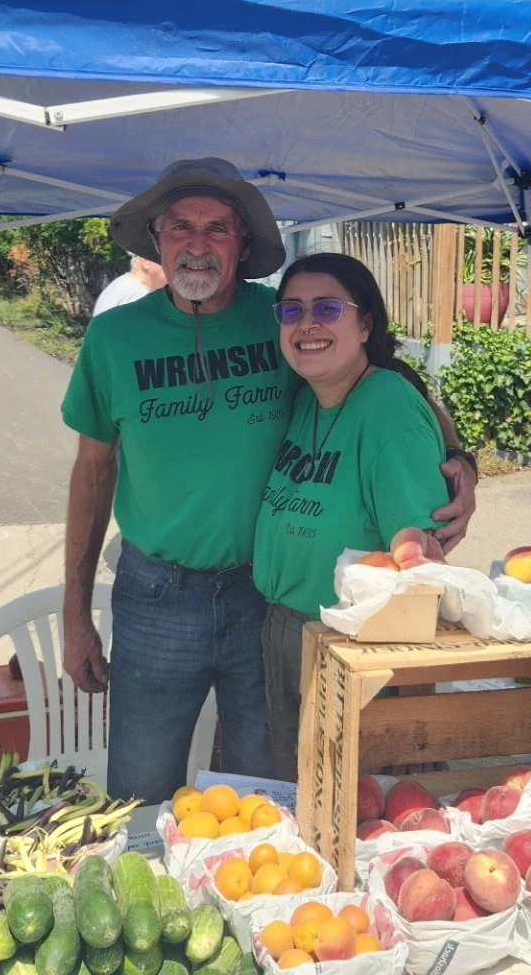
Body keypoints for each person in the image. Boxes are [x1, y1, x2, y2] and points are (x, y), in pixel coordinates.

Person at [59, 158, 477, 803]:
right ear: (157, 240)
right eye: (179, 228)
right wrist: (74, 612)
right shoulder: (114, 338)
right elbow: (92, 471)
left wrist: (460, 459)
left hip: (264, 598)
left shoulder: (283, 318)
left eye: (218, 229)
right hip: (156, 597)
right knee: (139, 790)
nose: (197, 245)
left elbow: (389, 377)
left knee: (268, 784)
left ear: (243, 244)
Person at [254, 253, 447, 782]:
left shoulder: (387, 409)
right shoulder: (310, 399)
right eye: (291, 311)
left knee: (354, 807)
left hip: (356, 650)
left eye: (328, 308)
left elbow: (417, 558)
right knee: (300, 792)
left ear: (365, 325)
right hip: (289, 630)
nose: (307, 324)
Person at [92, 255, 167, 317]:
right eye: (165, 259)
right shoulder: (139, 297)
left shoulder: (122, 286)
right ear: (146, 260)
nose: (172, 267)